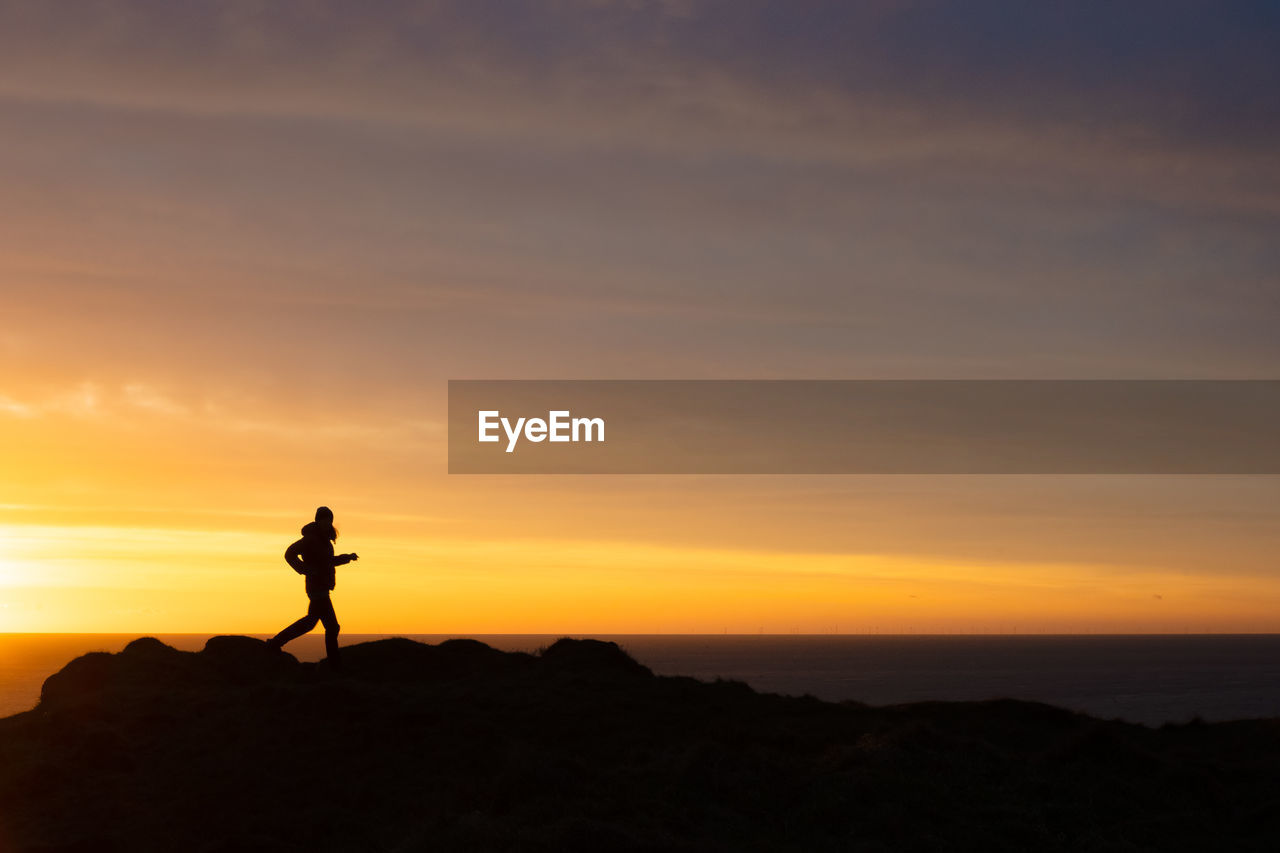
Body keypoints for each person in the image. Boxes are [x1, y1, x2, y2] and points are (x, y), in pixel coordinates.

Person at [266, 506, 358, 664]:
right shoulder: (311, 538)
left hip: (323, 587)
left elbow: (328, 562)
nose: (327, 523)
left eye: (329, 520)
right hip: (316, 588)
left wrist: (346, 557)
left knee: (312, 623)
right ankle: (334, 664)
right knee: (331, 626)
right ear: (318, 520)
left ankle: (275, 643)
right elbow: (289, 553)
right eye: (324, 519)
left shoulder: (324, 540)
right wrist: (305, 570)